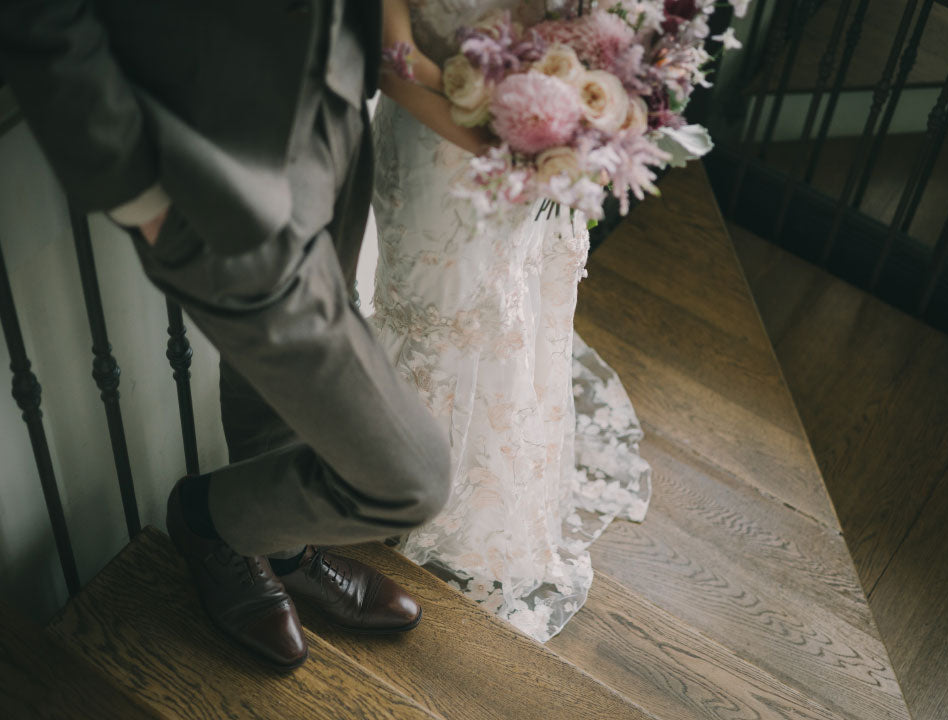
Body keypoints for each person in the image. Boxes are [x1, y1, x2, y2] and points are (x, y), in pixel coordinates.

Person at [0, 0, 452, 670]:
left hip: (336, 88)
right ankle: (210, 523)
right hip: (206, 161)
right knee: (409, 480)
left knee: (277, 381)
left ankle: (280, 545)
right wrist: (138, 193)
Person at [373, 0, 652, 642]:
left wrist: (577, 128)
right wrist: (514, 148)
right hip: (439, 140)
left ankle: (483, 505)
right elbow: (394, 62)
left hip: (541, 150)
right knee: (439, 318)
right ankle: (399, 482)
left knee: (511, 308)